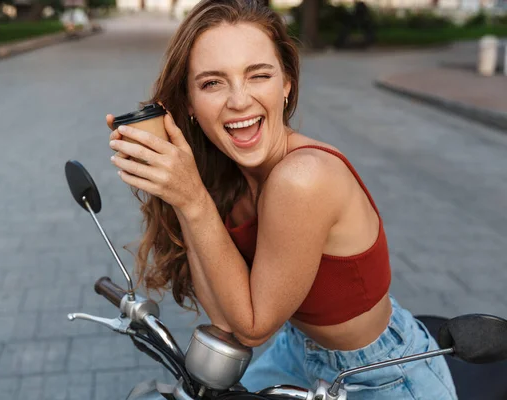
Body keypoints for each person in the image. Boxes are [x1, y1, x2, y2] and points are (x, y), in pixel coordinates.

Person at [106, 1, 457, 398]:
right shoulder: (227, 178)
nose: (239, 101)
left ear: (286, 83)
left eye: (258, 75)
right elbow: (227, 317)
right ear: (188, 102)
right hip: (297, 351)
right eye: (212, 83)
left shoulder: (303, 177)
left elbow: (252, 328)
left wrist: (191, 200)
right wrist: (178, 190)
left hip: (382, 372)